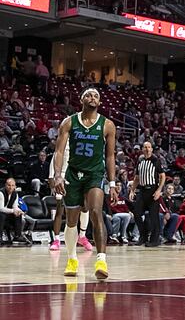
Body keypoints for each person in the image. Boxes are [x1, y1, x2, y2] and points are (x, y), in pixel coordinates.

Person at [52, 88, 117, 279]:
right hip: (73, 174)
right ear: (81, 99)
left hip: (94, 174)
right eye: (88, 95)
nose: (92, 97)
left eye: (96, 95)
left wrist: (112, 183)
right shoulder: (69, 122)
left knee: (96, 211)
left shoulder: (108, 125)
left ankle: (101, 260)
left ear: (100, 102)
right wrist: (58, 175)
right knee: (71, 221)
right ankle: (72, 258)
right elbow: (59, 151)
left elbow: (110, 155)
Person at [0, 177, 28, 245]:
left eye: (12, 185)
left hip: (7, 213)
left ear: (15, 186)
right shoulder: (1, 193)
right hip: (1, 213)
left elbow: (15, 207)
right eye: (9, 185)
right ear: (5, 185)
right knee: (2, 215)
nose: (10, 187)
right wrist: (13, 211)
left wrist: (19, 211)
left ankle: (17, 236)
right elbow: (1, 208)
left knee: (18, 214)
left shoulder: (15, 194)